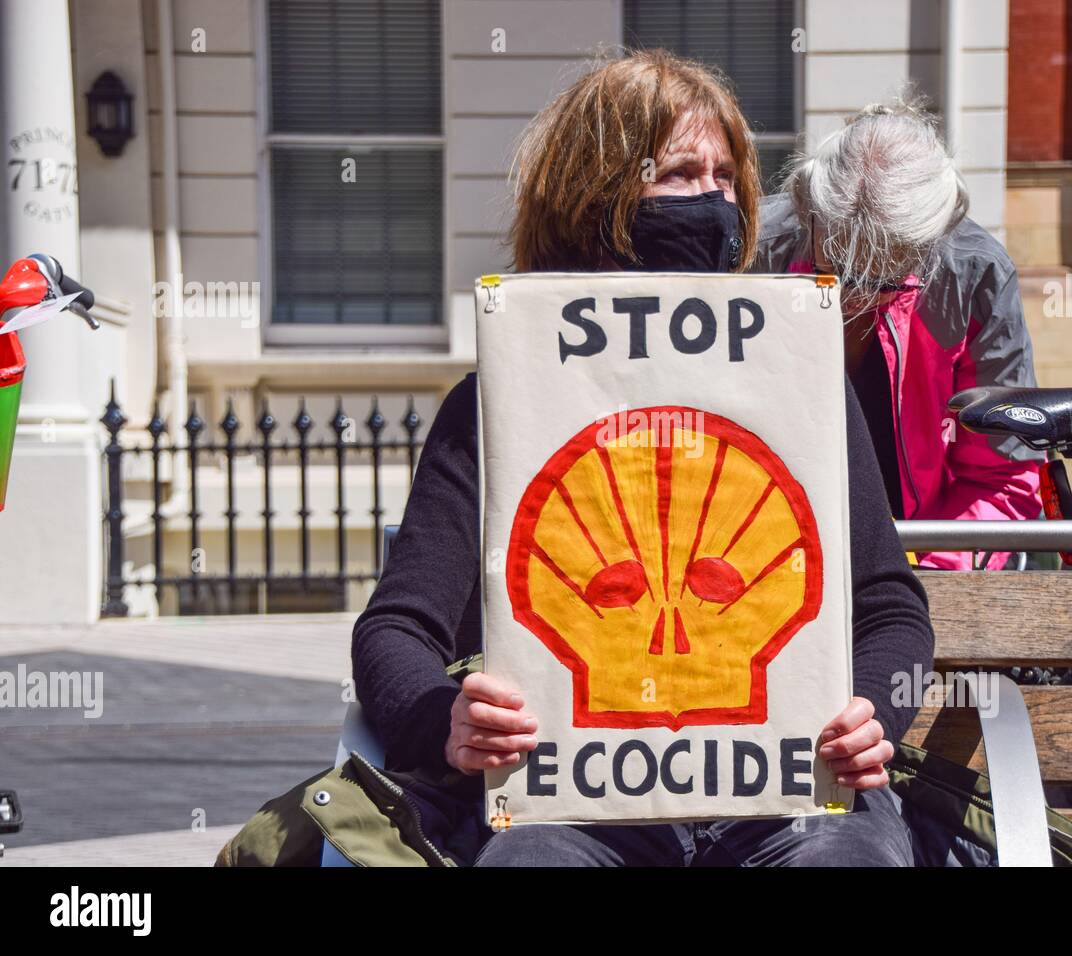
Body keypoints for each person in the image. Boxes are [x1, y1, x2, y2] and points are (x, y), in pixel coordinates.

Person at [351, 51, 935, 867]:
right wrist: (442, 717)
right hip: (571, 810)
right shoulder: (492, 407)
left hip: (792, 802)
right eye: (678, 174)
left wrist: (871, 710)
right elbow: (396, 627)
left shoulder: (806, 391)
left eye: (726, 177)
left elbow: (887, 606)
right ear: (596, 195)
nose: (712, 200)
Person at [754, 95, 1044, 570]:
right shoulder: (754, 251)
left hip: (916, 555)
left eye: (883, 281)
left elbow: (1001, 476)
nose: (856, 297)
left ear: (931, 243)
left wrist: (925, 582)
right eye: (837, 271)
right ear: (809, 209)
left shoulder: (975, 272)